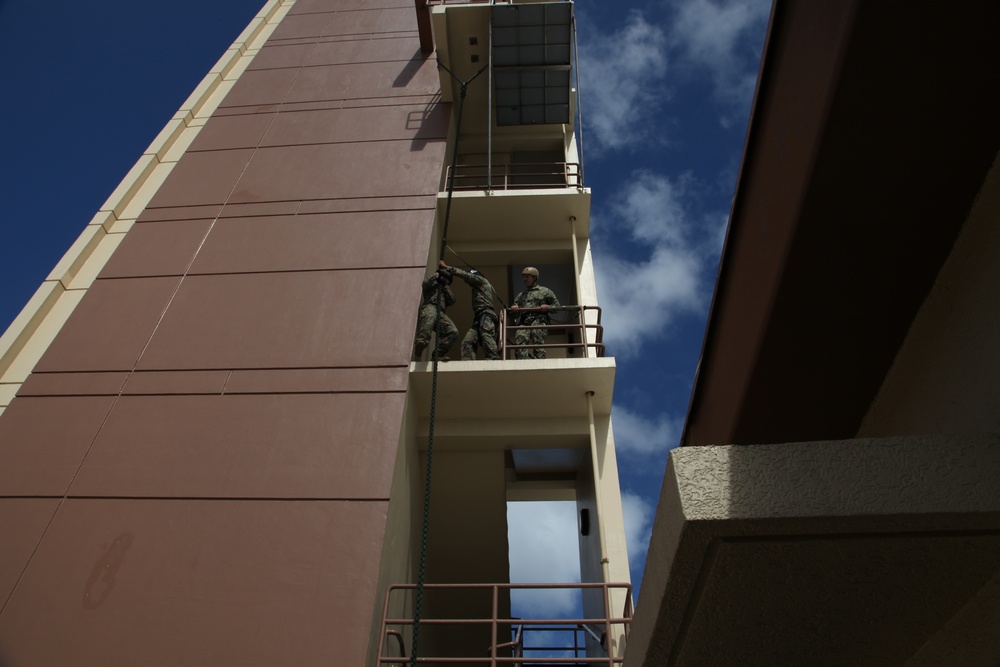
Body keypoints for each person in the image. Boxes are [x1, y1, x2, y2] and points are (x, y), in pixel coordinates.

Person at [439, 260, 500, 361]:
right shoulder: (477, 287)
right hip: (479, 317)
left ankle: (493, 358)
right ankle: (468, 362)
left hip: (486, 315)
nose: (467, 283)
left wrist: (446, 267)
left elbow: (465, 275)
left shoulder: (482, 281)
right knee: (468, 342)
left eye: (468, 281)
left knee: (486, 335)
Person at [510, 266, 560, 359]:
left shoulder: (545, 291)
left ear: (534, 278)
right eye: (523, 277)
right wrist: (514, 310)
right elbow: (513, 314)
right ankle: (521, 364)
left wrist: (548, 307)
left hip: (539, 320)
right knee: (519, 339)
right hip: (524, 321)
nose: (524, 279)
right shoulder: (521, 295)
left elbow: (557, 307)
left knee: (537, 339)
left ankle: (540, 362)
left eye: (527, 277)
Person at [413, 266, 458, 360]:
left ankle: (438, 354)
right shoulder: (432, 284)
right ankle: (421, 342)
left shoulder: (446, 289)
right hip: (430, 307)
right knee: (431, 316)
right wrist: (437, 275)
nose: (444, 278)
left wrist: (445, 285)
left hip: (440, 312)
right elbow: (425, 283)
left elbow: (452, 300)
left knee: (453, 331)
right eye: (444, 277)